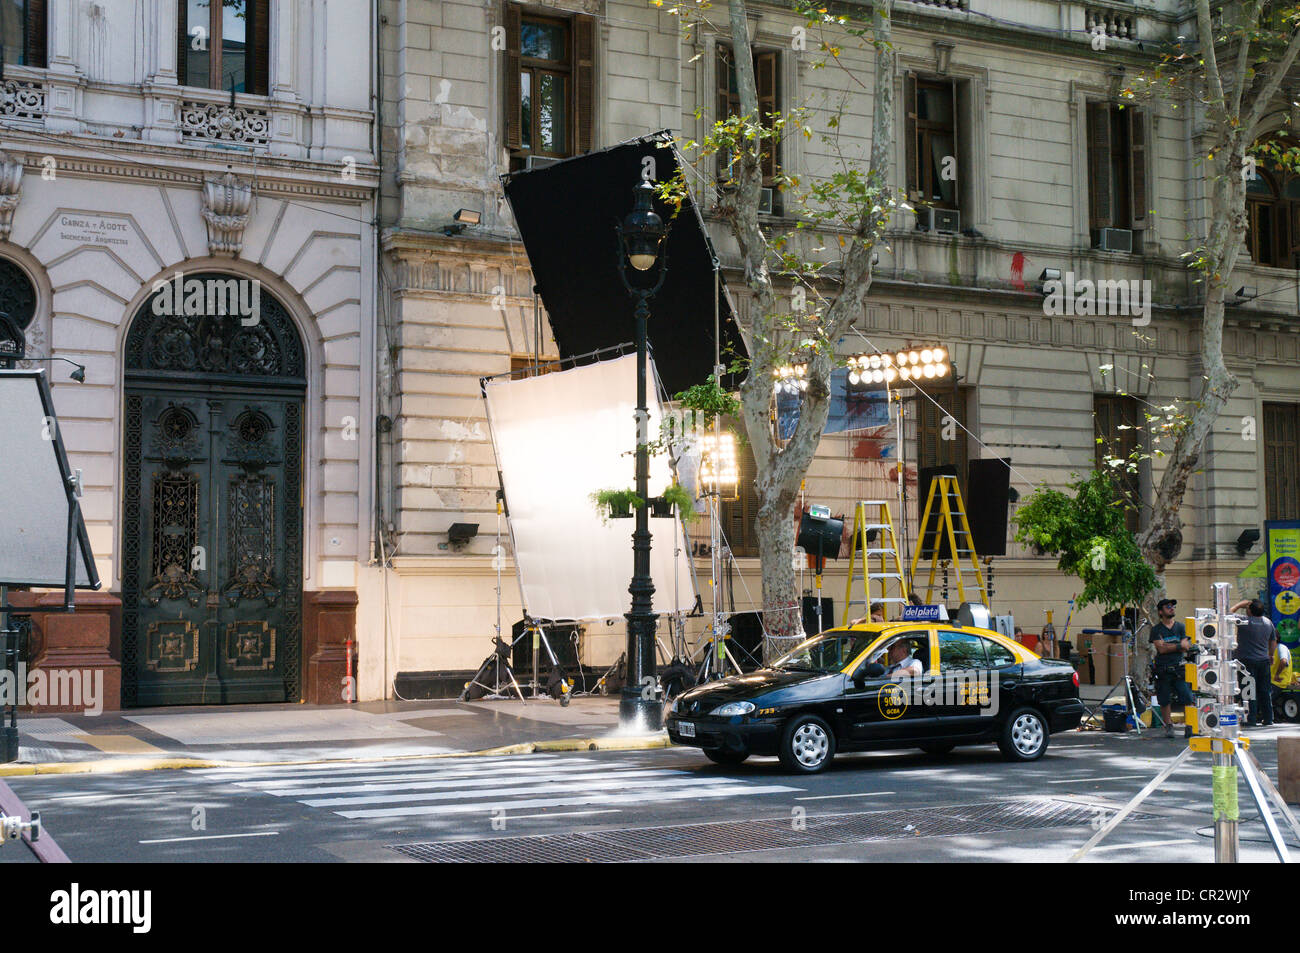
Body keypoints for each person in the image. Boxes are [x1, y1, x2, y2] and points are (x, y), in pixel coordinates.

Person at [1149, 598, 1194, 739]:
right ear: (1161, 611)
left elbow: (1187, 646)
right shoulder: (1156, 630)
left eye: (1173, 606)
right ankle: (1168, 726)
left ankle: (1190, 725)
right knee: (1164, 699)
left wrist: (1170, 646)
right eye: (1168, 606)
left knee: (1187, 696)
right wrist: (1178, 646)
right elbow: (1160, 649)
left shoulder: (1181, 627)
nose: (1172, 608)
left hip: (1179, 667)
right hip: (1163, 668)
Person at [1230, 598, 1278, 727]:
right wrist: (1271, 655)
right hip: (1263, 661)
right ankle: (1268, 718)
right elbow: (1273, 641)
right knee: (1265, 690)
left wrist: (1241, 603)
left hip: (1247, 662)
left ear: (1250, 610)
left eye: (1247, 608)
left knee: (1249, 690)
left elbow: (1227, 614)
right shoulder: (1268, 622)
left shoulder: (1244, 621)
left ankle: (1251, 718)